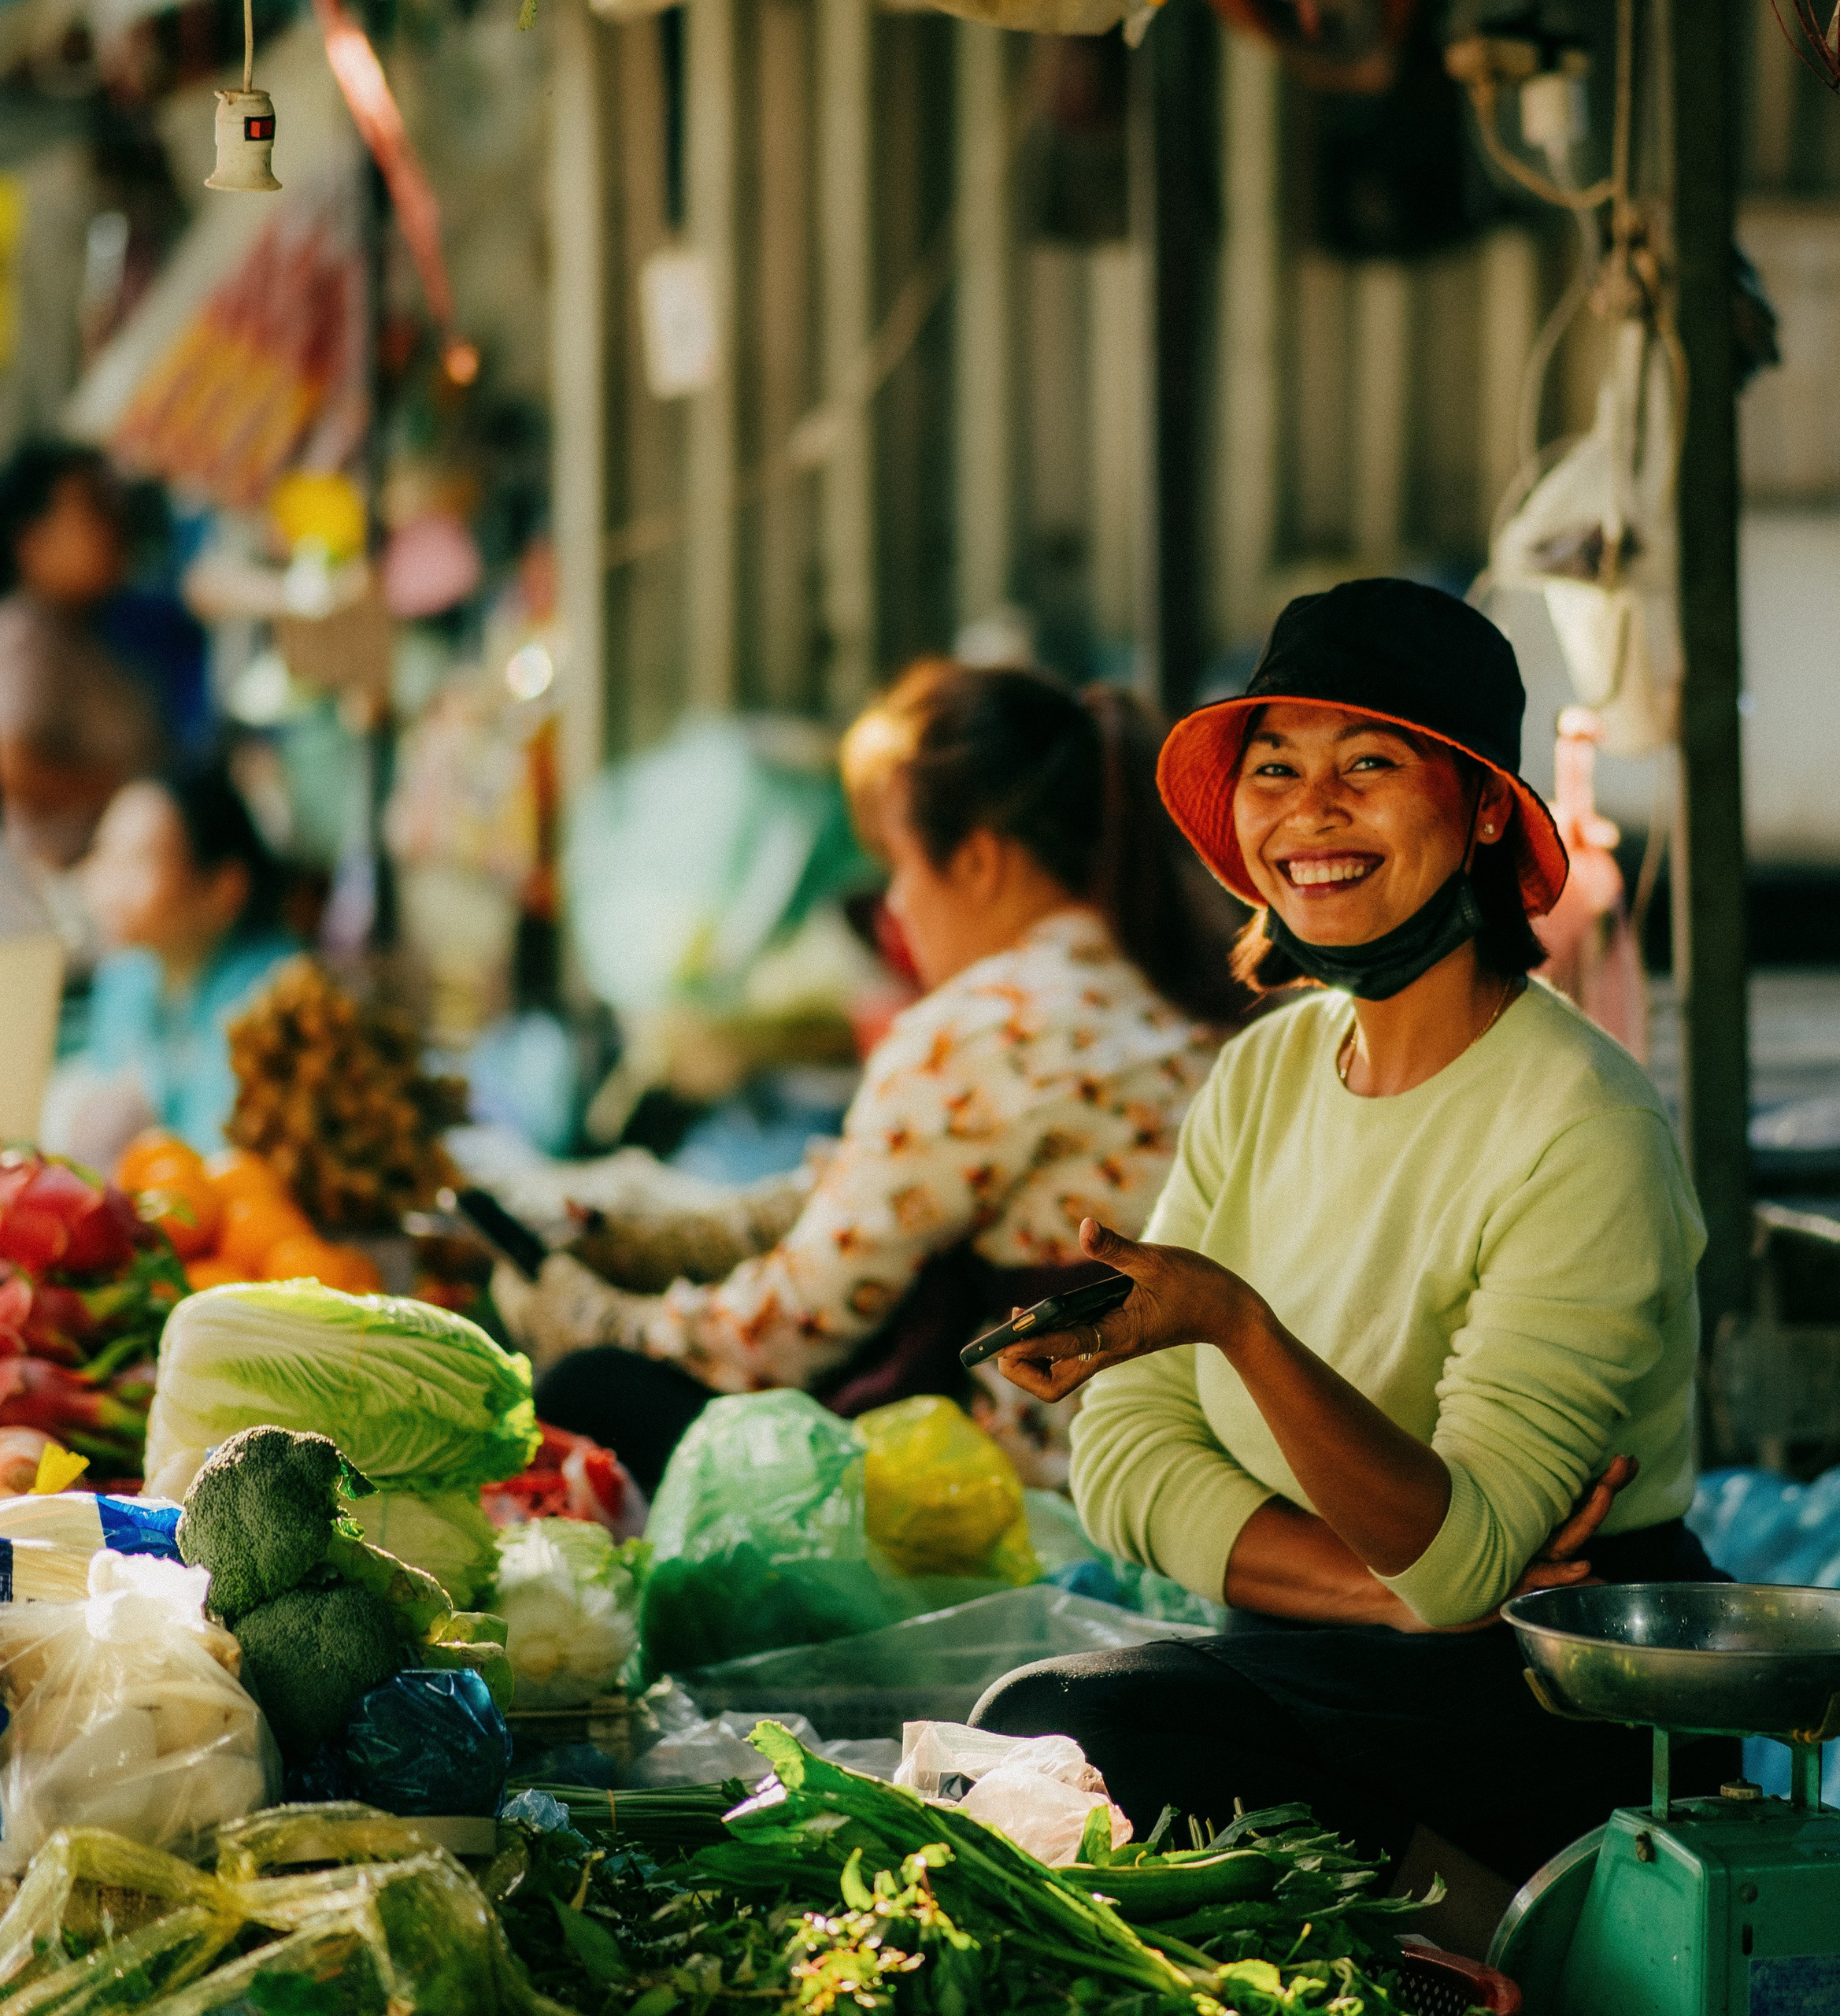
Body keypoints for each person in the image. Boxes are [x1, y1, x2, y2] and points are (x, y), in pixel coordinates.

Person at [972, 580, 1731, 1952]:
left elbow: (1468, 1573)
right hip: (1319, 1665)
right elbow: (1127, 1458)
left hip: (1539, 1698)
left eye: (1369, 766)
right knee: (1035, 1723)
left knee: (1108, 1729)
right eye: (1277, 771)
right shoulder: (1263, 1074)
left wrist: (1239, 1330)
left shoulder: (1583, 1126)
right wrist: (1378, 1582)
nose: (1309, 814)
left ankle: (1506, 1951)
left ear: (1486, 808)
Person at [492, 661, 1244, 1494]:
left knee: (593, 1391)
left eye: (900, 865)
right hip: (1191, 1451)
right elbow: (842, 1208)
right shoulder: (1168, 995)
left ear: (981, 861)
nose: (895, 908)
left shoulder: (984, 1028)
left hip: (1038, 1481)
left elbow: (782, 1330)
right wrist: (645, 1241)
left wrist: (585, 1312)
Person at [76, 763, 298, 1154]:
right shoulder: (126, 977)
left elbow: (226, 1154)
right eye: (104, 853)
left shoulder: (277, 994)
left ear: (225, 888)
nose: (108, 884)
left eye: (138, 861)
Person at [0, 442, 193, 868]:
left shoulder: (90, 623)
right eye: (94, 512)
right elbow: (12, 771)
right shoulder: (28, 638)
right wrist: (125, 788)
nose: (115, 526)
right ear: (33, 542)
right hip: (85, 878)